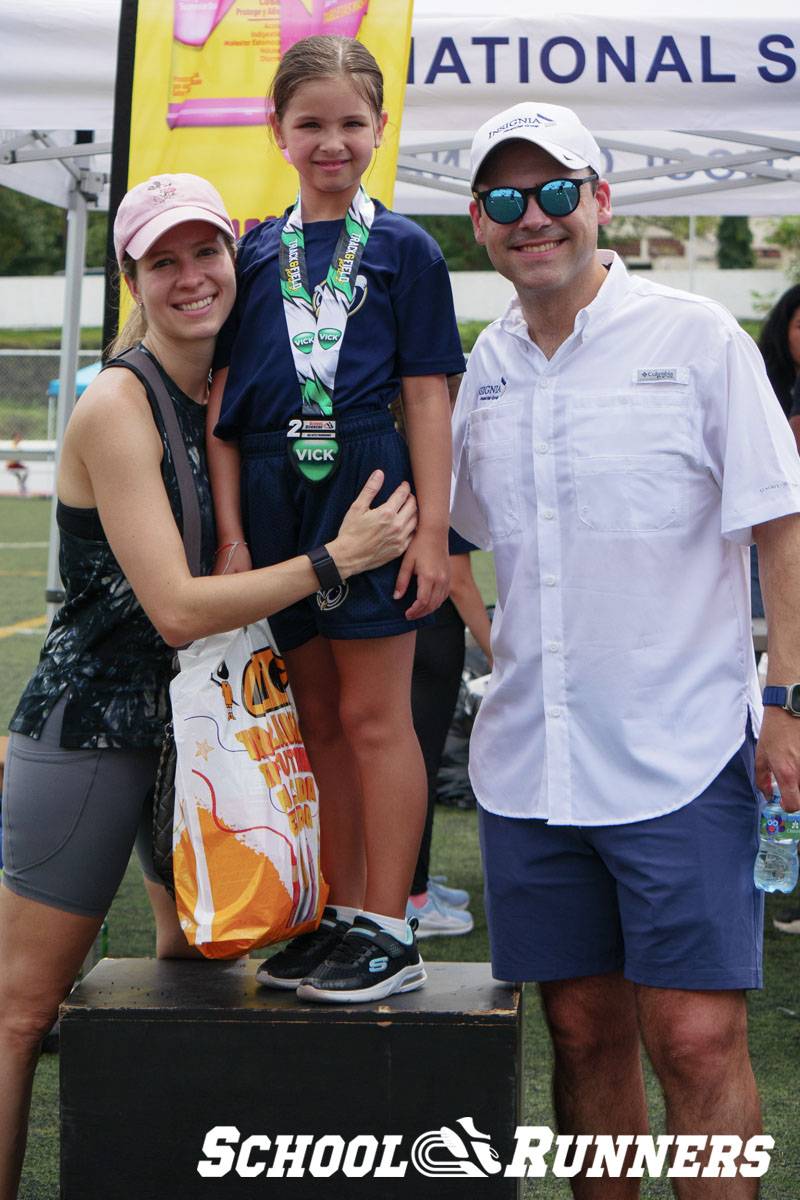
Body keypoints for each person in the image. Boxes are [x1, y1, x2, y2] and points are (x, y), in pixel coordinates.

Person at [0, 172, 417, 1200]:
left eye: (205, 252)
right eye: (163, 260)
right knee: (18, 1011)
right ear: (132, 279)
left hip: (208, 732)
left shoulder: (245, 382)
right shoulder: (116, 399)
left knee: (196, 972)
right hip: (97, 724)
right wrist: (339, 558)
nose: (191, 277)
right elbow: (180, 609)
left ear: (239, 257)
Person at [450, 101, 800, 1195]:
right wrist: (491, 641)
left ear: (599, 201)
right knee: (581, 1033)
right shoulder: (483, 367)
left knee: (694, 1041)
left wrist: (785, 699)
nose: (533, 218)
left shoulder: (694, 339)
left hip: (681, 751)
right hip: (529, 769)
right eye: (506, 200)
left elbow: (779, 526)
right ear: (479, 223)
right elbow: (450, 536)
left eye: (556, 192)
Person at [206, 34, 465, 1003]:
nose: (330, 140)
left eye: (349, 123)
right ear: (278, 131)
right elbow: (225, 400)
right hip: (278, 495)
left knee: (372, 718)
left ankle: (389, 930)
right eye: (309, 123)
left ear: (378, 130)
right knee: (315, 720)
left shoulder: (402, 248)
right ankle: (340, 915)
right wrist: (234, 535)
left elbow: (428, 395)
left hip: (363, 482)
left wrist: (431, 530)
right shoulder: (255, 249)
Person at [407, 533, 492, 937]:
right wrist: (499, 655)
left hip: (424, 633)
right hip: (428, 633)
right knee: (416, 767)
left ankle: (415, 885)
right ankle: (413, 896)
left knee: (421, 761)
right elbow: (457, 579)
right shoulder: (443, 482)